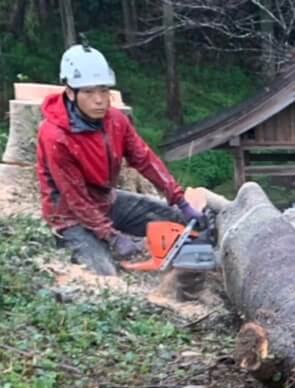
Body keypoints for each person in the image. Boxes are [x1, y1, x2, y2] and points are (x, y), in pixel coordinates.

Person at [36, 44, 204, 276]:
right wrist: (113, 237)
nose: (99, 100)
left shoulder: (115, 120)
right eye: (90, 92)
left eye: (104, 91)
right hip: (70, 216)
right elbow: (75, 199)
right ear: (71, 92)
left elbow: (145, 159)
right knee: (104, 275)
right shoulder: (55, 136)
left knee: (176, 220)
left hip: (107, 201)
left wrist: (179, 200)